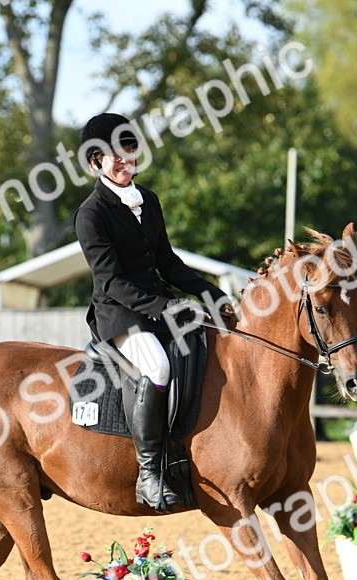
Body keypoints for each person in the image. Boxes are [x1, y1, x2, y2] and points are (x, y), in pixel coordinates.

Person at [74, 112, 233, 511]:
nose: (126, 159)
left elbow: (168, 261)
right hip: (119, 315)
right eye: (115, 154)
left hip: (157, 305)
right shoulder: (91, 214)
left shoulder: (149, 200)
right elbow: (109, 281)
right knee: (158, 368)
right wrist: (166, 308)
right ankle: (149, 474)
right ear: (96, 162)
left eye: (130, 149)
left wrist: (210, 294)